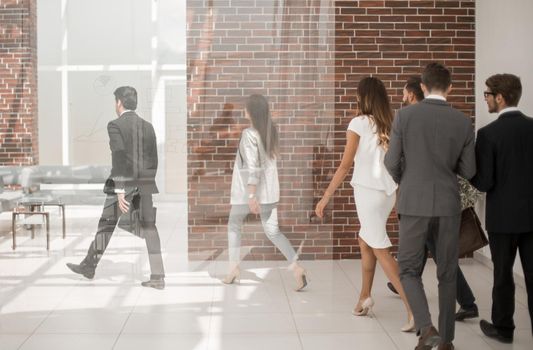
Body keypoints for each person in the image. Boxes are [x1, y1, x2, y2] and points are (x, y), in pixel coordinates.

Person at [384, 63, 476, 350]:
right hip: (448, 204)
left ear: (422, 87)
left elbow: (390, 162)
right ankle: (446, 340)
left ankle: (426, 329)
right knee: (447, 272)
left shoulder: (405, 116)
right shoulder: (463, 122)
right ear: (450, 88)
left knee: (408, 270)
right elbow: (470, 170)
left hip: (414, 202)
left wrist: (408, 180)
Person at [315, 77, 415, 332]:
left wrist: (325, 196)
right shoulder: (392, 122)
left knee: (379, 246)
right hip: (387, 192)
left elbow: (345, 165)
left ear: (363, 97)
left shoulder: (358, 123)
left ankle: (415, 312)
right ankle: (364, 297)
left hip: (368, 192)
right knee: (366, 240)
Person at [66, 86, 165, 289]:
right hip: (145, 185)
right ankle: (158, 277)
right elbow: (154, 159)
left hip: (123, 185)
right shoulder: (148, 127)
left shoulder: (115, 125)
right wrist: (144, 184)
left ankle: (89, 266)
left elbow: (118, 157)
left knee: (106, 226)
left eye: (115, 101)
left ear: (119, 102)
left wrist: (120, 189)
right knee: (150, 228)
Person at [471, 73, 533, 344]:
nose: (485, 99)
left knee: (502, 275)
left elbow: (484, 182)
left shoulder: (488, 134)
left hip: (502, 219)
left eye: (487, 94)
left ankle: (504, 329)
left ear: (500, 97)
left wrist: (467, 171)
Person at [222, 94, 307, 291]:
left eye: (246, 108)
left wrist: (252, 196)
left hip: (250, 193)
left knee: (234, 225)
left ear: (252, 112)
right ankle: (296, 268)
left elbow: (253, 167)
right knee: (273, 232)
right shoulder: (271, 132)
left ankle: (233, 268)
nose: (244, 111)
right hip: (270, 193)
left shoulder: (249, 134)